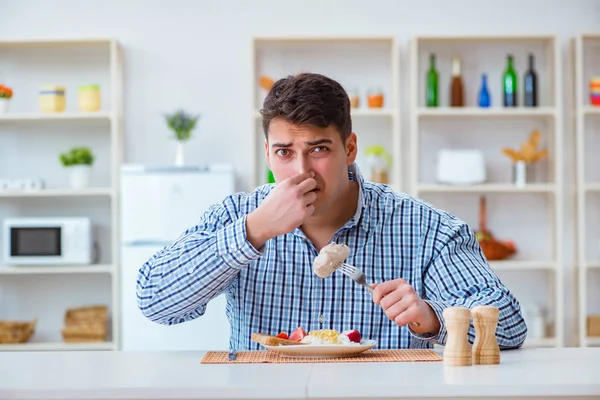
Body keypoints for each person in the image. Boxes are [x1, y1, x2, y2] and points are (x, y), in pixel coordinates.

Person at [137, 72, 527, 350]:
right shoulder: (237, 215)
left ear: (350, 148)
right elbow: (154, 301)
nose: (302, 170)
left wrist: (435, 318)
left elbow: (509, 325)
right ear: (267, 154)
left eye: (319, 149)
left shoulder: (427, 228)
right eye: (284, 153)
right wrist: (252, 232)